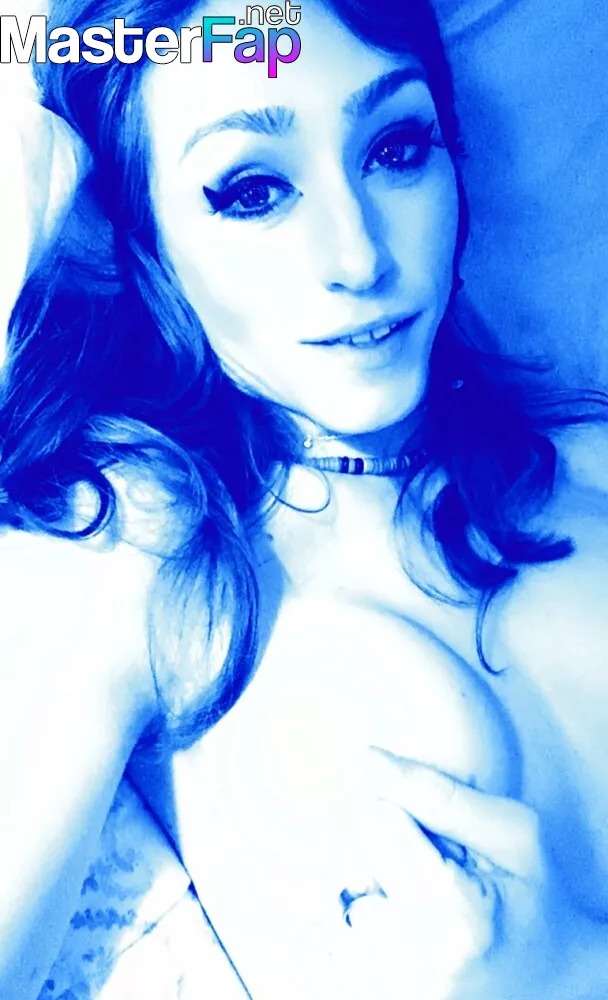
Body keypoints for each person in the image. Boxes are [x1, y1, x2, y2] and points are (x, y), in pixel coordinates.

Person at [1, 0, 608, 997]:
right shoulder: (140, 562)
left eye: (396, 149)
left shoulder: (590, 462)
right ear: (138, 241)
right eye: (252, 191)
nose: (358, 257)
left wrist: (575, 968)